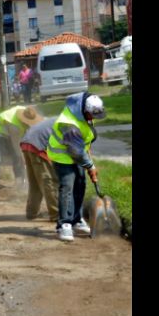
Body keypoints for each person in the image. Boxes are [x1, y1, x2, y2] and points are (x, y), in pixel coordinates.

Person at [46, 92, 106, 242]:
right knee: (67, 187)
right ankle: (64, 224)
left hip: (77, 155)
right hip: (63, 157)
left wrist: (89, 161)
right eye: (91, 115)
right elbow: (76, 151)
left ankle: (76, 219)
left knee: (80, 184)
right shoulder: (69, 123)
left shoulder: (85, 115)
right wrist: (90, 166)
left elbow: (85, 142)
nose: (93, 118)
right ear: (84, 110)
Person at [0, 105, 43, 192]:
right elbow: (16, 146)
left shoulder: (26, 110)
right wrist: (24, 158)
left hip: (8, 131)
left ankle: (19, 180)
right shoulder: (14, 125)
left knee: (16, 156)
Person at [19, 116, 60, 221]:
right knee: (48, 180)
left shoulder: (59, 119)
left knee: (35, 182)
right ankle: (56, 214)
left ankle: (31, 212)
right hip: (37, 145)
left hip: (26, 143)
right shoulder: (72, 127)